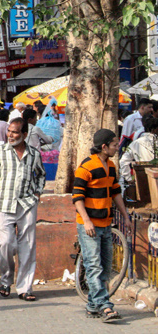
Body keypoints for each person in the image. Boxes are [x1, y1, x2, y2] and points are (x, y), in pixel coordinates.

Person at [72, 129, 131, 322]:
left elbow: (115, 192)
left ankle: (92, 306)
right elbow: (77, 197)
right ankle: (106, 306)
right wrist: (87, 220)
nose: (117, 147)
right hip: (89, 225)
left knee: (105, 267)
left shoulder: (111, 166)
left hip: (106, 224)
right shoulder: (86, 167)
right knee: (94, 266)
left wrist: (126, 216)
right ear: (104, 147)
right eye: (114, 145)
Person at [0, 118, 46, 301]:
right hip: (4, 204)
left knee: (27, 246)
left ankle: (25, 288)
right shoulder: (0, 152)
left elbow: (41, 175)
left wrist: (37, 194)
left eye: (15, 132)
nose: (10, 135)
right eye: (9, 131)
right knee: (6, 244)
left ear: (25, 135)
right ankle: (6, 280)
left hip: (27, 205)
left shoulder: (34, 154)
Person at [119, 116, 158, 191]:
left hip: (141, 181)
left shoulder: (136, 143)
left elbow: (123, 161)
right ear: (155, 129)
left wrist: (129, 179)